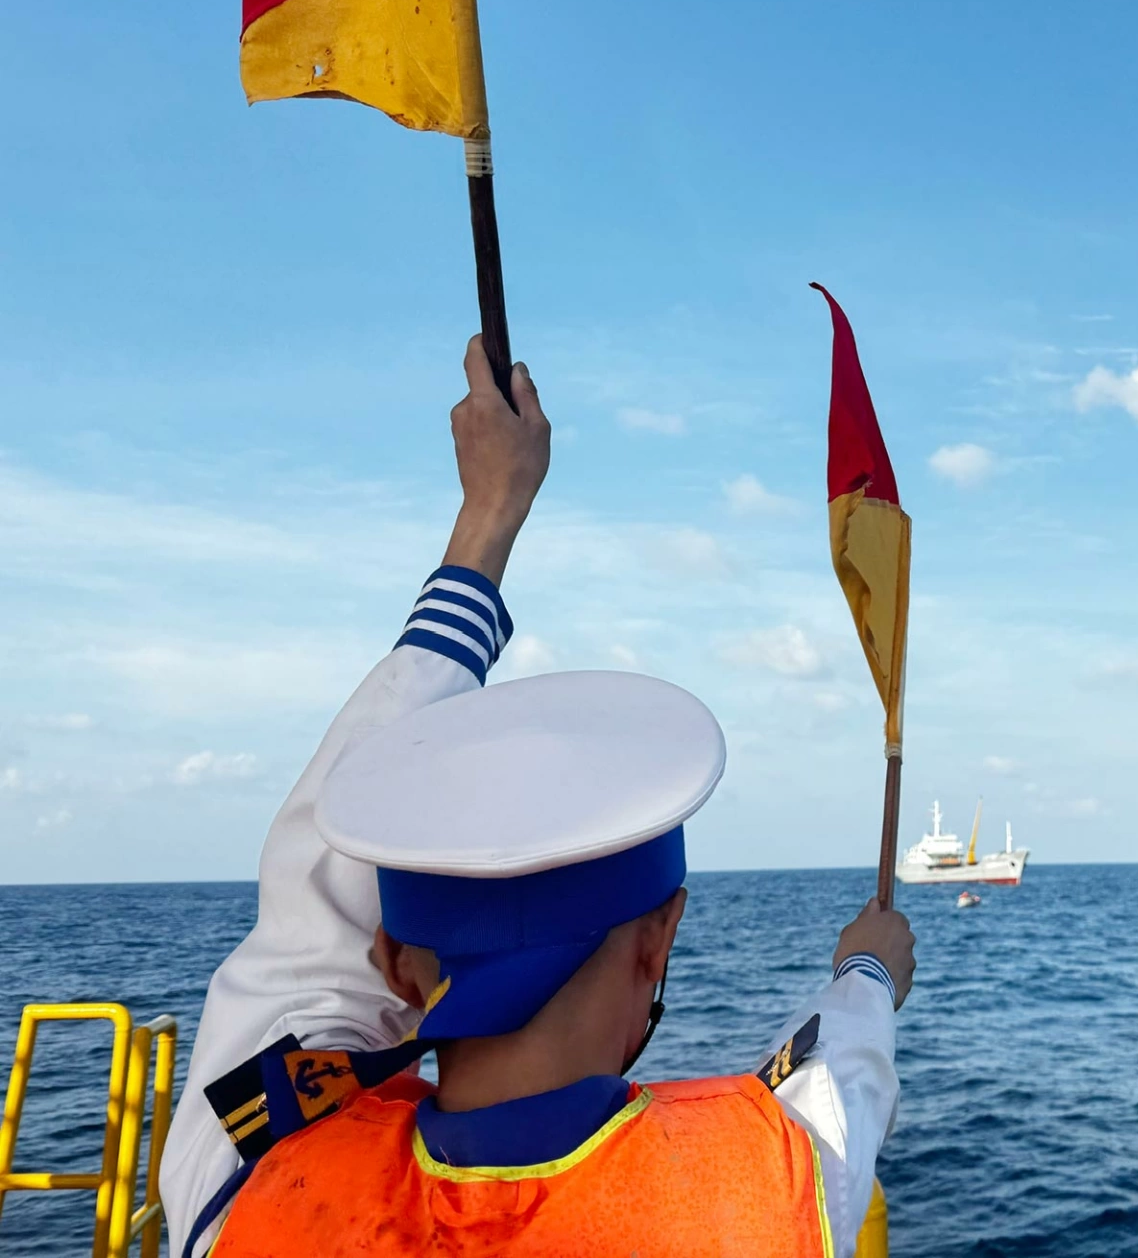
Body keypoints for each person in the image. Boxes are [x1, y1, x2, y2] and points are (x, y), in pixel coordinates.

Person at [158, 337, 915, 1257]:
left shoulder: (251, 1186)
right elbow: (850, 1061)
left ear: (397, 965)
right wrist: (867, 968)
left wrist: (488, 516)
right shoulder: (773, 1186)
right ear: (659, 939)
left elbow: (308, 917)